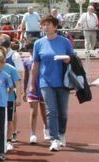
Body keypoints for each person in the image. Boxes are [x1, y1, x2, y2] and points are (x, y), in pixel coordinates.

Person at [30, 15, 75, 151]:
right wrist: (32, 84)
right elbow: (35, 64)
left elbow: (73, 58)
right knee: (51, 111)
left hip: (63, 81)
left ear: (55, 27)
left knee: (63, 112)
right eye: (44, 25)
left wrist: (68, 59)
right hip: (46, 82)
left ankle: (61, 133)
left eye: (49, 24)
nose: (46, 27)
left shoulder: (64, 42)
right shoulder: (38, 43)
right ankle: (54, 138)